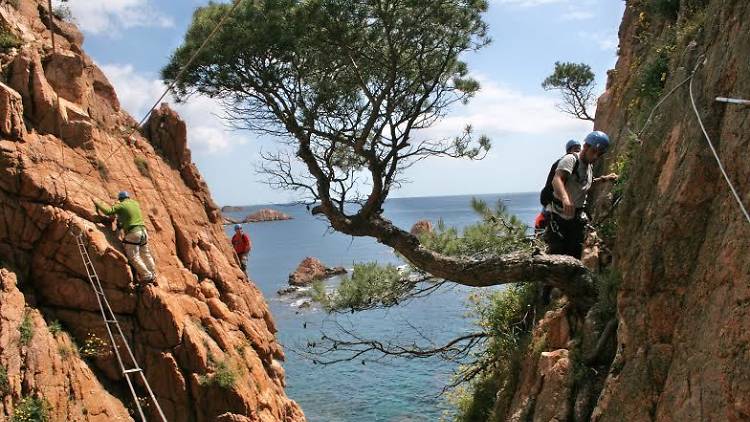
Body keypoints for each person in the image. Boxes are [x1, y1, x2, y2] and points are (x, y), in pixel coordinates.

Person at [545, 131, 617, 258]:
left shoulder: (588, 166)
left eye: (599, 154)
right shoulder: (571, 159)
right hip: (559, 218)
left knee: (575, 256)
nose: (595, 156)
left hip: (575, 219)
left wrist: (605, 179)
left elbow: (584, 185)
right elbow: (557, 179)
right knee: (557, 257)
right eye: (594, 151)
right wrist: (565, 199)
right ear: (586, 146)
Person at [94, 191, 157, 283]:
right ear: (128, 197)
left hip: (133, 233)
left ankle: (147, 276)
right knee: (146, 254)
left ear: (120, 199)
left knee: (134, 257)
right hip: (143, 232)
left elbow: (108, 211)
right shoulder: (135, 203)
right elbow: (127, 215)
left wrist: (98, 203)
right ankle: (153, 274)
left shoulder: (121, 205)